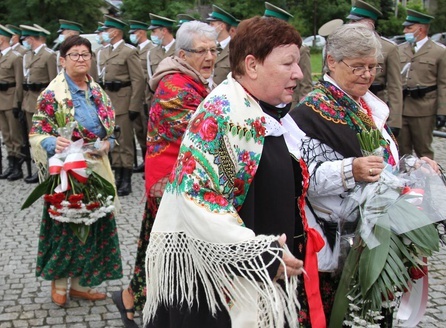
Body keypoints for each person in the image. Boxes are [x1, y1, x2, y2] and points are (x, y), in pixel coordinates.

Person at [142, 16, 324, 328]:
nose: (299, 73)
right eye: (288, 63)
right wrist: (263, 256)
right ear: (252, 66)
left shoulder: (259, 109)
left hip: (254, 275)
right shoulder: (222, 115)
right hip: (220, 290)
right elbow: (198, 194)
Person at [290, 23, 439, 326]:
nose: (367, 75)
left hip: (375, 237)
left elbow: (385, 162)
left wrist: (413, 166)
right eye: (358, 66)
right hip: (337, 249)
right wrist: (350, 170)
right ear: (331, 61)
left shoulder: (368, 105)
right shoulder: (310, 112)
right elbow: (303, 179)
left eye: (372, 67)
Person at [111, 20, 218, 328]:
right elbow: (204, 136)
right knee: (167, 254)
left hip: (176, 182)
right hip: (171, 185)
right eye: (201, 51)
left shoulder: (193, 79)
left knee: (154, 246)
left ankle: (131, 298)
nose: (209, 57)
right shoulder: (175, 88)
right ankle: (154, 307)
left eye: (213, 49)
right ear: (182, 54)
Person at [28, 35, 123, 307]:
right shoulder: (51, 95)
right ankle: (59, 284)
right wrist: (50, 141)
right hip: (67, 171)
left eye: (85, 55)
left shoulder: (98, 92)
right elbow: (37, 132)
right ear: (62, 60)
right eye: (75, 55)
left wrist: (108, 143)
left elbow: (111, 131)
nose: (81, 59)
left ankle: (82, 285)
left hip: (96, 169)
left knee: (93, 225)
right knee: (66, 225)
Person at [98, 15, 145, 196]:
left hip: (124, 102)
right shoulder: (104, 52)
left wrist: (134, 106)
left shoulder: (128, 51)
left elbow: (138, 79)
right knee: (112, 141)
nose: (104, 34)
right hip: (108, 103)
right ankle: (117, 175)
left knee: (124, 141)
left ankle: (126, 179)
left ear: (116, 31)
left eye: (107, 30)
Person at [398, 9, 446, 159]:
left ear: (420, 29)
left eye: (409, 28)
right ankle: (403, 182)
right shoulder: (400, 50)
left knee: (424, 151)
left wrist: (443, 111)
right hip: (402, 108)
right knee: (401, 151)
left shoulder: (439, 51)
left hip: (424, 109)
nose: (405, 31)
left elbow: (445, 84)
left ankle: (427, 181)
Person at [347, 0, 403, 136]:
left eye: (355, 22)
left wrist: (395, 121)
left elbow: (395, 86)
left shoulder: (389, 48)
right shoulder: (344, 46)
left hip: (376, 104)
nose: (350, 25)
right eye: (351, 22)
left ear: (369, 24)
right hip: (348, 104)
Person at [20, 24, 57, 184]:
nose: (24, 42)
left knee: (46, 137)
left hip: (44, 103)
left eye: (26, 39)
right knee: (33, 138)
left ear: (31, 39)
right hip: (29, 102)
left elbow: (55, 81)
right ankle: (39, 168)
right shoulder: (27, 56)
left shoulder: (48, 55)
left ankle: (50, 168)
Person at [263, 2, 313, 109]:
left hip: (290, 106)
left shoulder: (301, 49)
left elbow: (306, 84)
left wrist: (302, 110)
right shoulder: (263, 47)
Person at [128, 20, 155, 174]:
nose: (132, 36)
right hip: (137, 97)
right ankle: (145, 162)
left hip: (147, 96)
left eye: (134, 32)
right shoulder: (136, 50)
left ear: (141, 32)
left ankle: (150, 164)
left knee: (147, 132)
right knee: (139, 131)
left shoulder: (151, 49)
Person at [0, 24, 24, 181]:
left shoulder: (15, 57)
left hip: (10, 99)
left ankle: (18, 166)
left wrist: (17, 103)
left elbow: (19, 82)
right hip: (1, 100)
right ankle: (10, 162)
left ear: (2, 39)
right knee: (6, 134)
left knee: (15, 135)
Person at [206, 5, 239, 85]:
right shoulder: (208, 47)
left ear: (221, 26)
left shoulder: (236, 49)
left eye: (212, 24)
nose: (209, 27)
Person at [146, 14, 175, 78]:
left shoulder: (181, 50)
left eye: (154, 31)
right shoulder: (151, 53)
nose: (151, 35)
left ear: (164, 31)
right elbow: (150, 80)